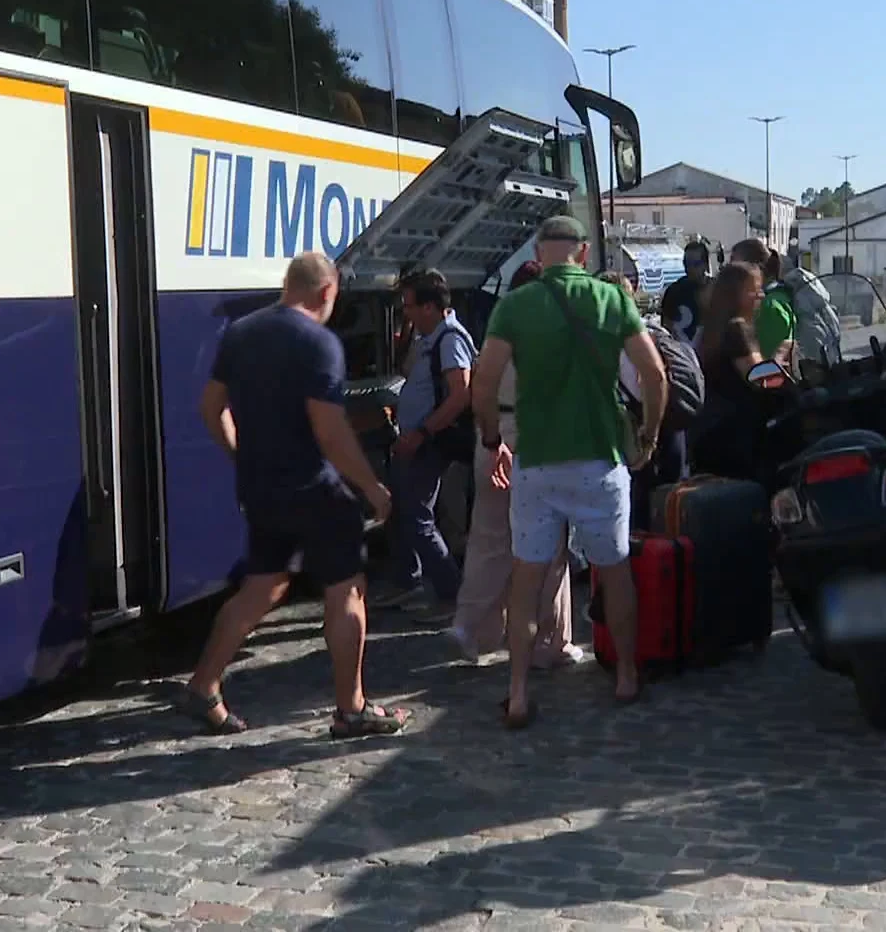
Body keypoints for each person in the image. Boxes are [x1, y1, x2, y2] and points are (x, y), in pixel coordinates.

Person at [180, 253, 411, 739]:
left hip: (260, 484)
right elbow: (329, 429)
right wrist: (371, 486)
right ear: (327, 292)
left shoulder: (241, 333)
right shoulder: (319, 343)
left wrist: (241, 455)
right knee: (346, 588)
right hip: (312, 487)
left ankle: (204, 684)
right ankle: (352, 709)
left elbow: (210, 407)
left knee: (265, 584)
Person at [472, 216, 668, 727]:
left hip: (536, 462)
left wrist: (493, 438)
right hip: (599, 459)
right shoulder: (614, 300)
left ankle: (517, 691)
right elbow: (654, 373)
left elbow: (485, 380)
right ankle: (625, 676)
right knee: (615, 571)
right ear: (583, 254)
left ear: (538, 254)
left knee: (528, 578)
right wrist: (647, 434)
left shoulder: (515, 306)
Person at [448, 260, 584, 668]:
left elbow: (477, 390)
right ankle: (551, 641)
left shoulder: (494, 334)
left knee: (487, 540)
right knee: (549, 545)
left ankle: (470, 628)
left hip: (491, 437)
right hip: (536, 441)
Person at [373, 267, 472, 624]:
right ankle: (406, 580)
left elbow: (460, 394)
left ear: (431, 307)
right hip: (414, 439)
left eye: (411, 306)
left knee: (417, 517)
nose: (407, 313)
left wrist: (421, 434)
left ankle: (451, 593)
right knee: (399, 510)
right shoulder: (430, 338)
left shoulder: (450, 340)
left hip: (428, 442)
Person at [600, 271, 690, 531]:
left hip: (643, 432)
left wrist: (649, 437)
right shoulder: (653, 330)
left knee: (640, 521)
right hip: (674, 426)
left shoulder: (620, 340)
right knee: (671, 512)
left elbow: (652, 382)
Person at [688, 262, 773, 481]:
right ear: (735, 293)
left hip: (712, 429)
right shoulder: (737, 329)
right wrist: (783, 358)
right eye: (753, 289)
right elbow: (759, 377)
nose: (760, 295)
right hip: (736, 433)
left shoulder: (711, 327)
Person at [730, 238, 797, 367]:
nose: (728, 270)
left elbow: (767, 366)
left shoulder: (769, 307)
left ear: (756, 268)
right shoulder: (775, 299)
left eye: (734, 263)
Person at [659, 239, 711, 343]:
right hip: (681, 353)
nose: (689, 268)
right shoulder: (674, 291)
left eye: (695, 264)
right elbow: (666, 326)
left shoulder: (715, 289)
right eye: (686, 263)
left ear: (705, 265)